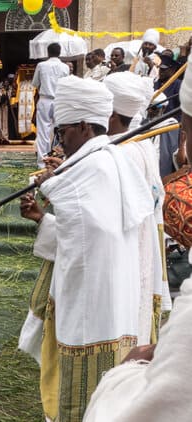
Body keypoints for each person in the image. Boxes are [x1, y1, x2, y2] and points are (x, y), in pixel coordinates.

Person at [19, 75, 155, 422]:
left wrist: (53, 192)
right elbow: (86, 228)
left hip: (92, 303)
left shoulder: (93, 167)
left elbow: (88, 231)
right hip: (115, 294)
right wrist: (43, 217)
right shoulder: (111, 158)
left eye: (63, 132)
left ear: (82, 125)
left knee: (85, 401)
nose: (60, 141)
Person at [83, 58, 192, 422]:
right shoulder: (139, 147)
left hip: (124, 253)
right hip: (140, 248)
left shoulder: (118, 154)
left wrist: (125, 374)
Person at [103, 71, 169, 348]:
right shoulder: (137, 143)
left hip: (129, 236)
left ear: (111, 114)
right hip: (142, 234)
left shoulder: (125, 150)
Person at [32, 43, 70, 168]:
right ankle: (59, 157)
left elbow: (35, 83)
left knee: (43, 131)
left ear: (48, 52)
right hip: (59, 100)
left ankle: (43, 162)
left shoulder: (41, 65)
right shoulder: (65, 67)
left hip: (45, 99)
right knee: (61, 130)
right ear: (59, 53)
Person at [146, 93, 180, 177]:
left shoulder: (171, 126)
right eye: (148, 107)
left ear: (163, 108)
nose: (150, 111)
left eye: (154, 108)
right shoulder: (142, 124)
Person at [155, 55, 182, 121]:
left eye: (164, 69)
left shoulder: (179, 85)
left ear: (172, 70)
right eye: (160, 69)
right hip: (153, 121)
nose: (160, 71)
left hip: (170, 123)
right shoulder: (155, 82)